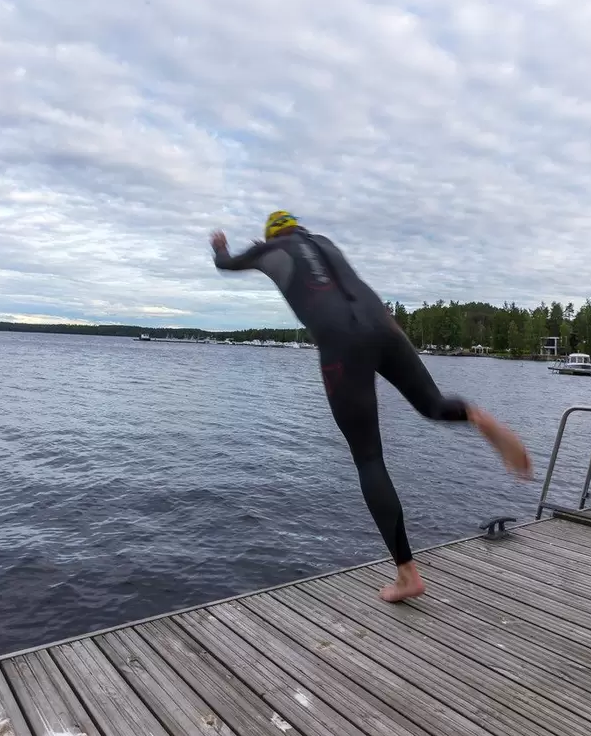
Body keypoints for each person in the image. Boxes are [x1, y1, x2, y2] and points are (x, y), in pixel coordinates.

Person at [210, 211, 532, 602]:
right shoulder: (324, 242)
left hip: (342, 343)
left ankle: (407, 575)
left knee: (368, 459)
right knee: (433, 404)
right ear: (299, 228)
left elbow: (226, 264)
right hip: (384, 325)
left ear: (270, 235)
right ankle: (475, 415)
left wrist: (220, 245)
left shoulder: (272, 249)